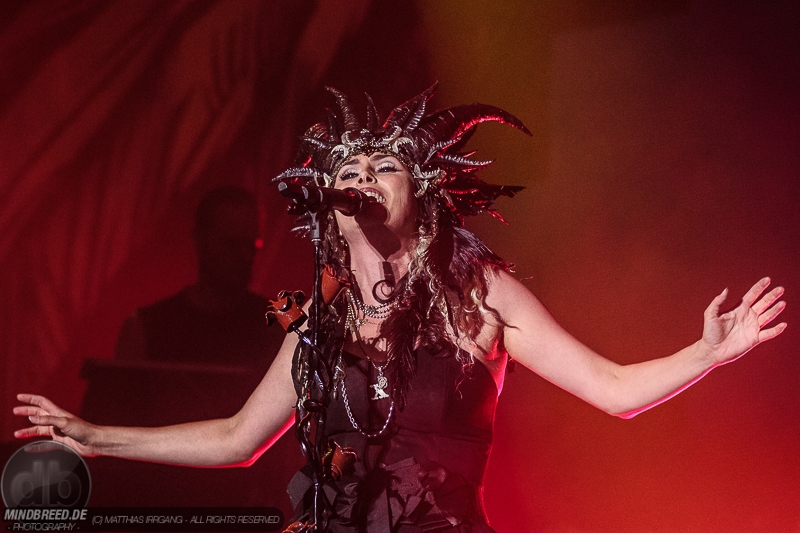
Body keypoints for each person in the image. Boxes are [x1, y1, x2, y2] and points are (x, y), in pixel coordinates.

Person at [14, 85, 786, 532]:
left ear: (421, 194)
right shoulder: (320, 326)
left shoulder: (480, 296)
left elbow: (613, 389)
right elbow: (236, 438)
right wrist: (95, 436)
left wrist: (707, 352)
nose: (365, 175)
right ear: (332, 205)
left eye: (385, 165)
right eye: (351, 168)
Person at [115, 186, 284, 367]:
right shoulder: (148, 328)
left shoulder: (277, 328)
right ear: (200, 239)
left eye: (249, 244)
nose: (241, 255)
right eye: (229, 243)